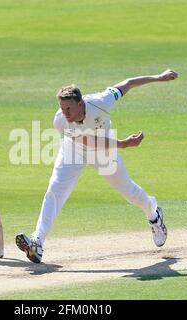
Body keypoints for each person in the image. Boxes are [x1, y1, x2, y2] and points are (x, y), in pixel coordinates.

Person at [15, 69, 178, 263]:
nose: (64, 113)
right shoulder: (60, 121)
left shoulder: (101, 102)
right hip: (75, 149)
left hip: (105, 151)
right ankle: (37, 242)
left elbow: (127, 83)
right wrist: (123, 144)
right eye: (61, 108)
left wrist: (158, 77)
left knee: (129, 192)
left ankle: (153, 214)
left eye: (68, 108)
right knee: (55, 190)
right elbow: (88, 142)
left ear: (80, 103)